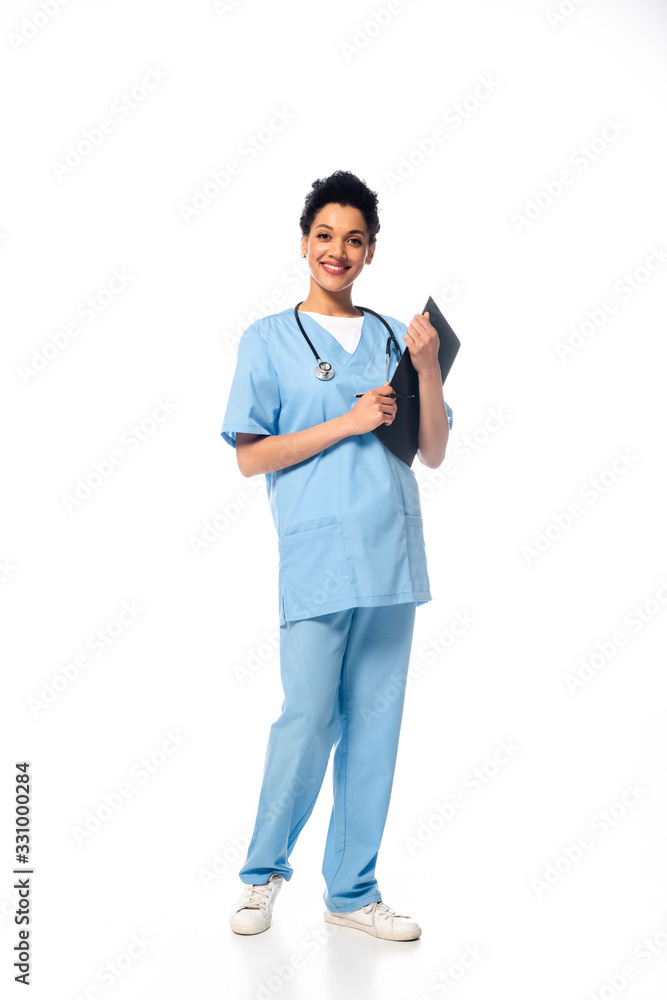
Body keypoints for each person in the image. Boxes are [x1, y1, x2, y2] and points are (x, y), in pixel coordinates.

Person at [221, 170, 453, 941]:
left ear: (370, 251)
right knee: (307, 720)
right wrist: (347, 422)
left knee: (375, 731)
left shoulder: (391, 337)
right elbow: (251, 457)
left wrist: (426, 367)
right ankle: (260, 877)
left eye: (354, 239)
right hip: (319, 558)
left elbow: (430, 451)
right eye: (325, 235)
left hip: (390, 558)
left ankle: (353, 892)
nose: (338, 250)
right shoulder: (267, 339)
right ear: (303, 242)